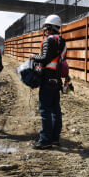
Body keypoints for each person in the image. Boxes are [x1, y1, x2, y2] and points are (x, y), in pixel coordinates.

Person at [29, 14, 67, 149]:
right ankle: (55, 139)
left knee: (45, 110)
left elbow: (44, 58)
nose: (45, 31)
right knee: (55, 110)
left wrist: (34, 57)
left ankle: (45, 140)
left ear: (50, 28)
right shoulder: (62, 42)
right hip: (56, 79)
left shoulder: (48, 41)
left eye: (46, 28)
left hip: (47, 79)